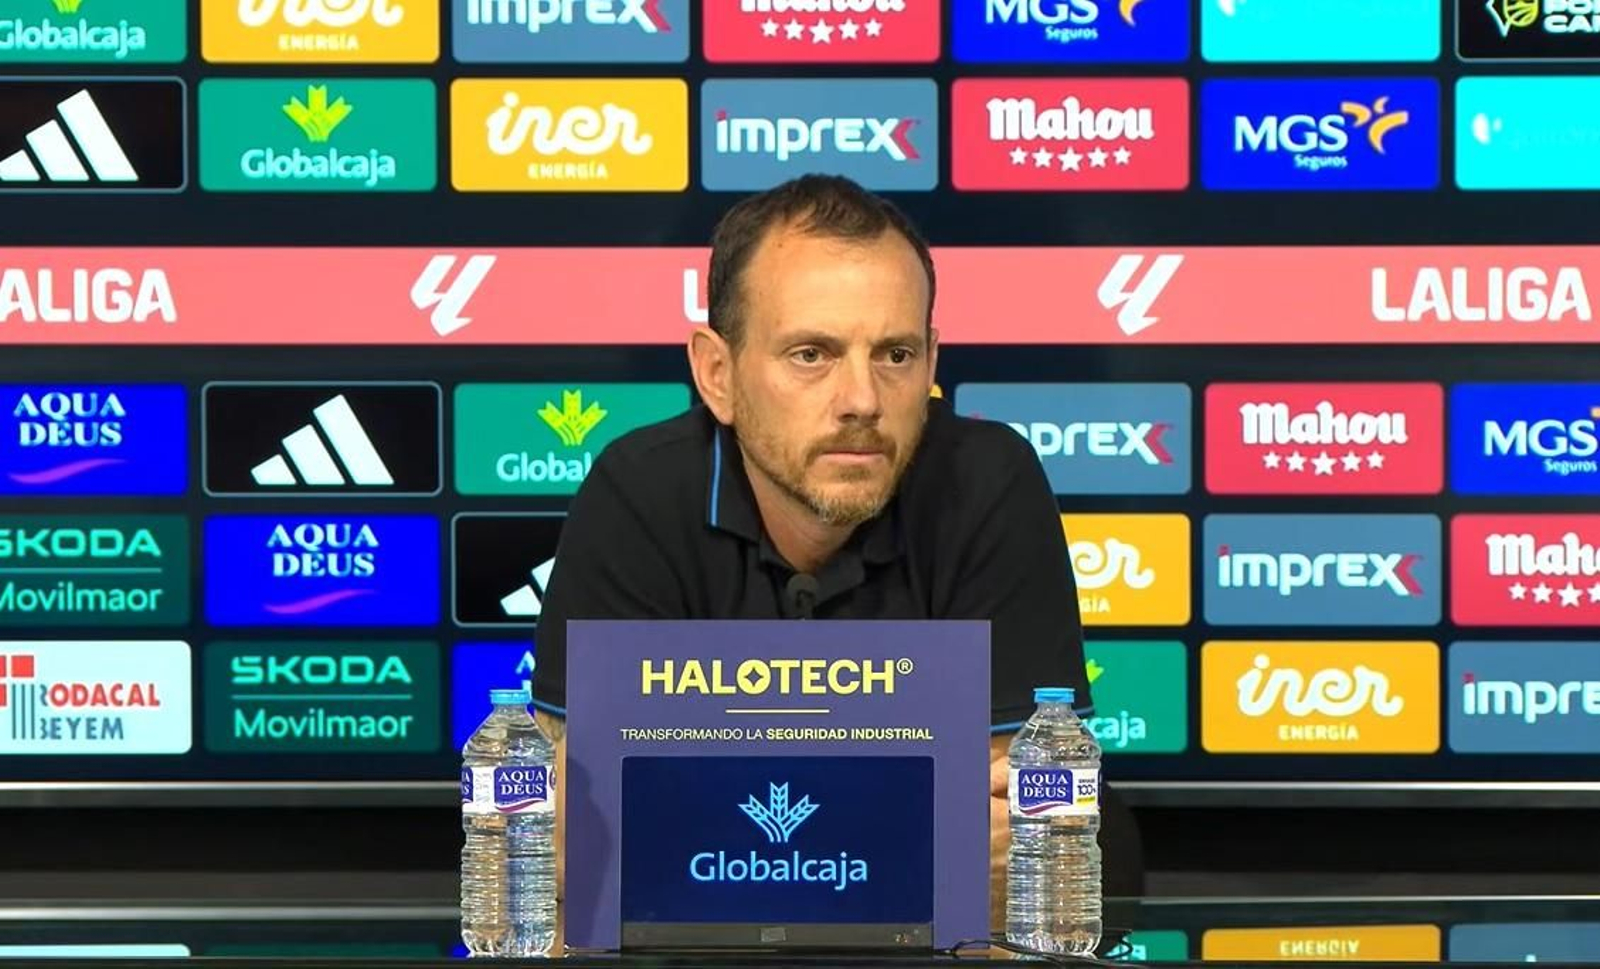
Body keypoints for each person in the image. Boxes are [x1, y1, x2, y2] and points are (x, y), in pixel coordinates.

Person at [530, 173, 1145, 927]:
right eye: (811, 353)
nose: (861, 399)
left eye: (894, 354)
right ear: (717, 375)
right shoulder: (638, 492)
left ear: (932, 362)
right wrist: (915, 835)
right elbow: (561, 840)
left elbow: (1048, 837)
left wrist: (702, 830)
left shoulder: (988, 482)